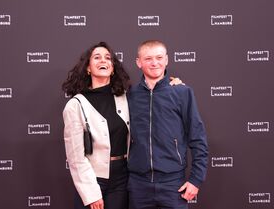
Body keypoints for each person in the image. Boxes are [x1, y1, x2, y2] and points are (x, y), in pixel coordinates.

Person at [127, 40, 208, 209]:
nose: (154, 62)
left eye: (159, 57)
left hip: (173, 184)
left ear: (167, 60)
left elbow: (197, 137)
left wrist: (196, 179)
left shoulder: (182, 92)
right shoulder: (130, 95)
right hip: (138, 184)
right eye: (148, 58)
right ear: (138, 62)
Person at [62, 41, 131, 209]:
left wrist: (175, 86)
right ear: (88, 67)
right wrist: (90, 193)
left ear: (113, 68)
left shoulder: (126, 98)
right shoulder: (76, 105)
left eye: (108, 58)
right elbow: (75, 157)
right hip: (93, 179)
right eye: (97, 57)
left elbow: (152, 94)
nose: (103, 61)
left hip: (123, 178)